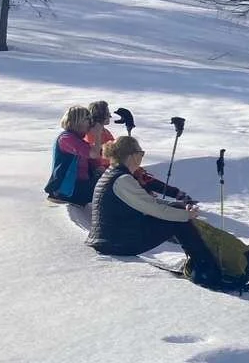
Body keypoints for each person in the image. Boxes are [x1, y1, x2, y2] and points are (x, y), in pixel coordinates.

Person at [86, 136, 221, 286]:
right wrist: (186, 215)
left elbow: (147, 202)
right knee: (178, 222)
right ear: (132, 155)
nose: (142, 157)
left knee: (177, 214)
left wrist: (179, 207)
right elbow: (153, 209)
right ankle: (206, 271)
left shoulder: (114, 174)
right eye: (141, 153)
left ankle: (201, 264)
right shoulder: (123, 180)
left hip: (111, 238)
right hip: (117, 243)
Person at [84, 100, 196, 206]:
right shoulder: (94, 132)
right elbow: (101, 154)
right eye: (107, 112)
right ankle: (166, 198)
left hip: (114, 164)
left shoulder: (103, 130)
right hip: (108, 168)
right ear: (101, 114)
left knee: (142, 176)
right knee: (139, 178)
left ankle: (174, 195)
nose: (110, 116)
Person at [45, 105, 107, 205]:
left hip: (81, 184)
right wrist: (97, 134)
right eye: (87, 119)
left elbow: (95, 155)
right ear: (77, 121)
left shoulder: (77, 139)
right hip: (68, 190)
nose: (90, 123)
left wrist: (98, 168)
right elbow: (94, 153)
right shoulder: (66, 139)